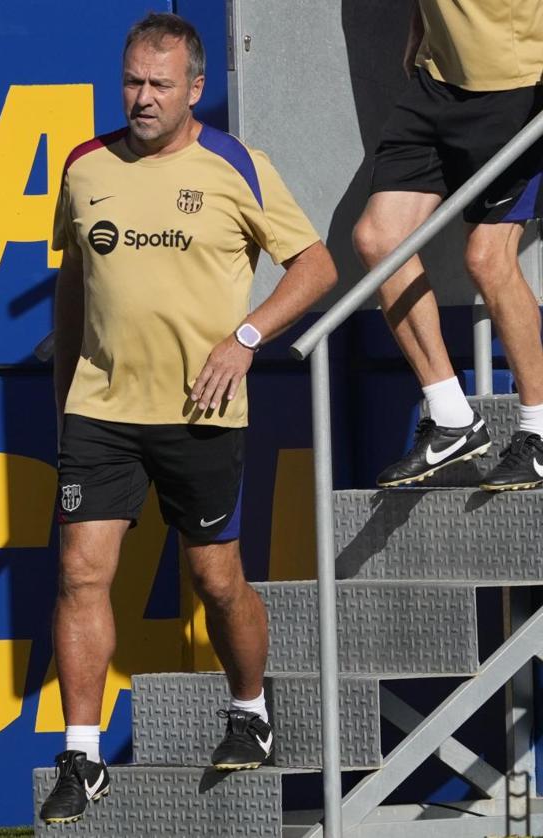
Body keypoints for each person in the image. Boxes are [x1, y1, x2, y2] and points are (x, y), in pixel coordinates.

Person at [39, 13, 338, 825]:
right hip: (101, 414)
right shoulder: (84, 167)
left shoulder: (237, 165)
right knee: (79, 574)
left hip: (201, 414)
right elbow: (75, 284)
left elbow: (317, 266)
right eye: (131, 80)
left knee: (216, 579)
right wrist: (69, 394)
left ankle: (249, 710)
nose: (141, 97)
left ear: (195, 88)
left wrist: (246, 338)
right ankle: (84, 753)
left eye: (158, 84)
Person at [353, 1, 543, 491]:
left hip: (519, 91)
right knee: (379, 239)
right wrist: (422, 23)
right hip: (436, 82)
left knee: (486, 257)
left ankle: (538, 430)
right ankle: (451, 415)